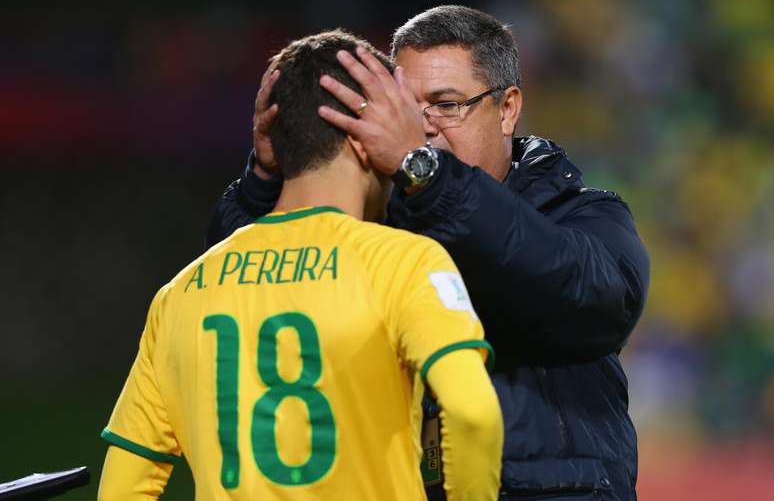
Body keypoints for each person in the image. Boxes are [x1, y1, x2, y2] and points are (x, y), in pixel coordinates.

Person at [208, 6, 650, 501]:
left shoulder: (582, 214)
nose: (422, 128)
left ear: (507, 109)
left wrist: (425, 171)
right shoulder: (370, 224)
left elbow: (597, 301)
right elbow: (238, 295)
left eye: (446, 104)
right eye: (405, 108)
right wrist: (265, 183)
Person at [97, 30, 503, 501]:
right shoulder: (402, 261)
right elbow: (473, 413)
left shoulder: (182, 292)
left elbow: (127, 479)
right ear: (363, 138)